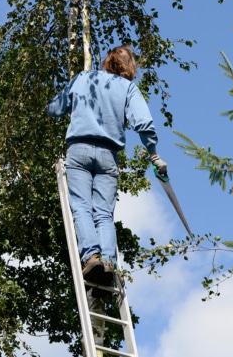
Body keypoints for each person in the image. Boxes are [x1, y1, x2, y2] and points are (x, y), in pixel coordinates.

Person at [47, 45, 167, 287]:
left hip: (78, 150)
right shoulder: (127, 88)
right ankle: (109, 262)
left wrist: (72, 105)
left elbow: (54, 108)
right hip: (107, 155)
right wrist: (153, 154)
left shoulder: (83, 78)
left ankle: (92, 258)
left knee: (81, 206)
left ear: (108, 61)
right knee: (103, 213)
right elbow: (144, 124)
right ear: (129, 66)